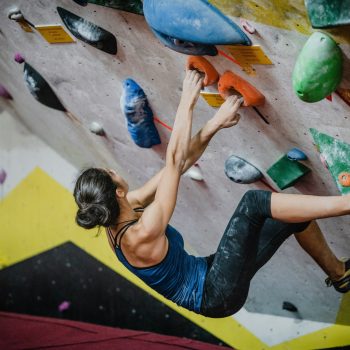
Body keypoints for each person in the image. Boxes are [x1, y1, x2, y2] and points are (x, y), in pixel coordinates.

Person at [74, 70, 350, 318]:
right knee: (253, 203)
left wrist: (215, 124)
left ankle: (340, 275)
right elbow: (173, 159)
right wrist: (188, 99)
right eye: (108, 173)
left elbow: (179, 164)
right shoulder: (140, 235)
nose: (111, 169)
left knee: (293, 215)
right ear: (118, 192)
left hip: (211, 273)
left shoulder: (122, 210)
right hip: (215, 295)